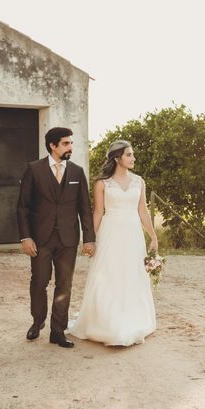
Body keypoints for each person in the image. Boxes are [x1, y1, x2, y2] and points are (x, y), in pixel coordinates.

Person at [68, 140, 157, 346]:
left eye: (133, 155)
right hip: (110, 233)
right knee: (109, 275)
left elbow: (142, 211)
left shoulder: (139, 181)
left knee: (131, 276)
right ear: (117, 158)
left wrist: (153, 236)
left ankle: (132, 320)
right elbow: (98, 212)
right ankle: (107, 324)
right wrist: (89, 239)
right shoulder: (102, 183)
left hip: (133, 235)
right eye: (129, 155)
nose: (133, 158)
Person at [17, 127, 95, 348]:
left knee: (65, 285)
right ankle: (38, 321)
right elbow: (22, 207)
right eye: (66, 143)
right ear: (53, 145)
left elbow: (84, 209)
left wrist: (89, 238)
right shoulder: (33, 169)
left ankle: (58, 332)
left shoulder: (77, 172)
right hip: (40, 239)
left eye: (71, 143)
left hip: (68, 239)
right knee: (39, 282)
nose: (71, 147)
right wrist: (26, 237)